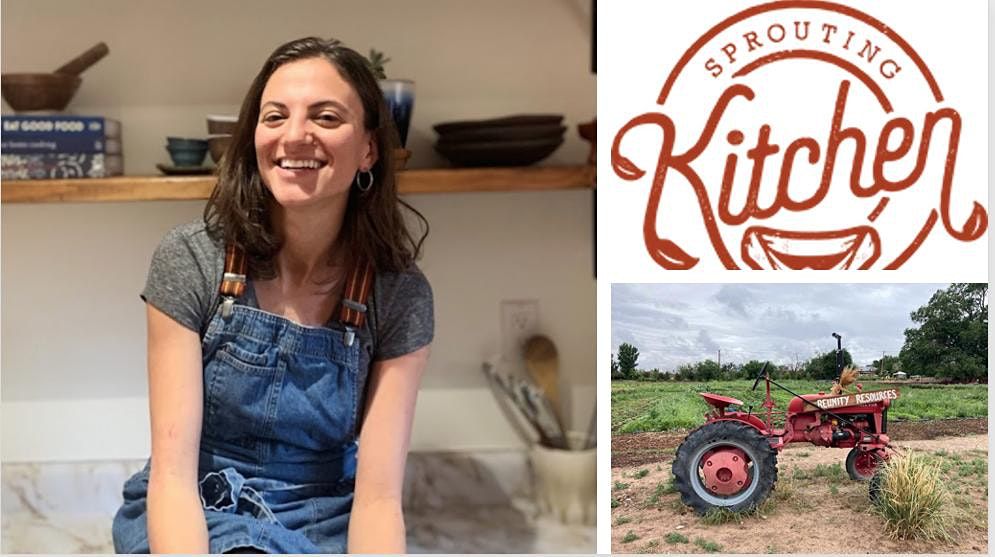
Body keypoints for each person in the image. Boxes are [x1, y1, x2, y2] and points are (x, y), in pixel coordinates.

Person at [112, 36, 433, 554]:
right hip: (199, 506)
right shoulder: (192, 260)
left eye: (326, 117)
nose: (295, 135)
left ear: (369, 147)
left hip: (326, 516)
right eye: (275, 116)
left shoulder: (399, 294)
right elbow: (172, 479)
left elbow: (377, 500)